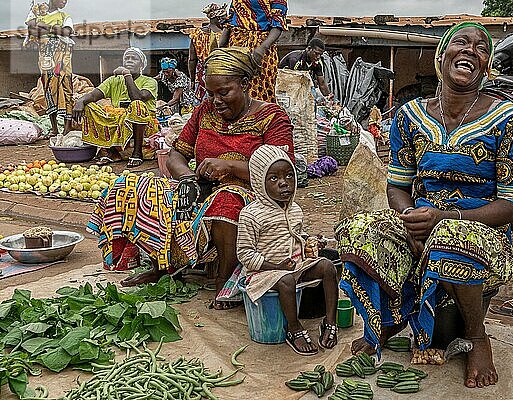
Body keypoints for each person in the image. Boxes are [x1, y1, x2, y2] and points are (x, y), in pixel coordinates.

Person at [334, 22, 513, 388]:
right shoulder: (409, 116)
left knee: (450, 238)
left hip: (480, 231)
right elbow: (397, 186)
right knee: (357, 230)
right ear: (442, 56)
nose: (471, 50)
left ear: (487, 66)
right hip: (422, 219)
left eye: (481, 47)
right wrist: (410, 217)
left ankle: (476, 336)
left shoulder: (509, 120)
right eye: (461, 42)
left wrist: (443, 218)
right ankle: (385, 323)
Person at [87, 47, 295, 311]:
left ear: (245, 84)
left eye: (223, 92)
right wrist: (187, 179)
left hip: (254, 195)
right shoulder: (204, 111)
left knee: (226, 200)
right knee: (131, 187)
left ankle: (226, 280)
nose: (216, 101)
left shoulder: (272, 118)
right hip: (203, 186)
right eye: (210, 93)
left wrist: (230, 166)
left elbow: (284, 171)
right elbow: (177, 154)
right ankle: (162, 265)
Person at [237, 144, 339, 355]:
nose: (284, 183)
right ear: (259, 182)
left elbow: (295, 238)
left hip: (293, 267)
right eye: (273, 178)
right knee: (286, 280)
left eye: (288, 176)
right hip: (263, 273)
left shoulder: (295, 210)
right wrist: (276, 266)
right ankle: (294, 329)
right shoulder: (251, 214)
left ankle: (329, 322)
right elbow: (245, 253)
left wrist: (309, 244)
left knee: (328, 267)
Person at [73, 47, 159, 168]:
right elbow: (93, 95)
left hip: (144, 126)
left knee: (137, 105)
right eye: (127, 58)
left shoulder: (150, 81)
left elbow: (138, 98)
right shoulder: (114, 81)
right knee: (89, 106)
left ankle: (137, 152)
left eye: (134, 58)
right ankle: (111, 152)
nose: (129, 61)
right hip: (120, 124)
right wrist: (80, 101)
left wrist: (127, 75)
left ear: (141, 65)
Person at [219, 0, 287, 102]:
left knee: (261, 89)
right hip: (236, 46)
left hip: (261, 49)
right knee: (234, 87)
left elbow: (278, 24)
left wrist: (262, 49)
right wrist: (221, 47)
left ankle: (260, 117)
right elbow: (231, 18)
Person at [25, 0, 74, 136]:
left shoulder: (65, 16)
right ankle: (54, 128)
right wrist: (53, 28)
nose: (64, 1)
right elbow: (32, 27)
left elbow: (66, 31)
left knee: (65, 87)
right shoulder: (37, 11)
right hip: (45, 59)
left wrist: (44, 26)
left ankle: (67, 127)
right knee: (48, 88)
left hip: (62, 57)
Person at [188, 3, 226, 102]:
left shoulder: (197, 34)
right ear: (218, 18)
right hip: (220, 73)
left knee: (202, 103)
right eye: (223, 18)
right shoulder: (223, 35)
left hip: (201, 74)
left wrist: (192, 79)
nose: (225, 21)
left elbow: (192, 60)